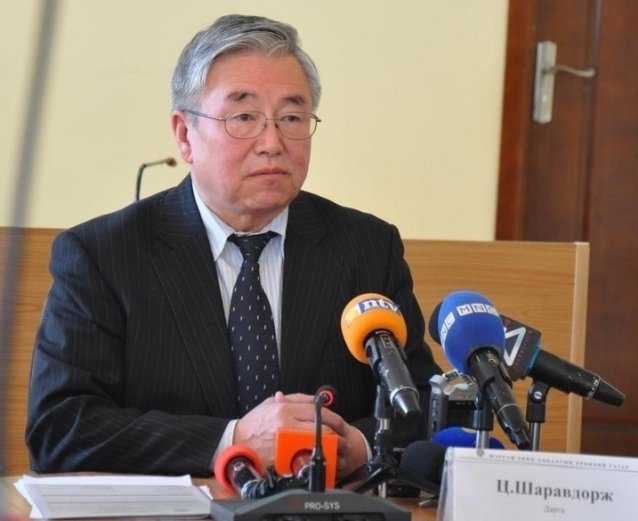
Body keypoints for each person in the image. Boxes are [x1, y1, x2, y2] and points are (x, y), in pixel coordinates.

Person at [25, 14, 440, 480]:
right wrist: (235, 440)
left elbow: (425, 403)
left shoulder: (366, 247)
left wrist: (360, 446)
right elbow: (60, 429)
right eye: (244, 117)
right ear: (185, 135)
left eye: (291, 118)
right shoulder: (102, 256)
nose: (272, 143)